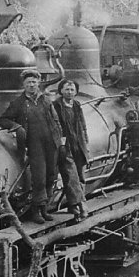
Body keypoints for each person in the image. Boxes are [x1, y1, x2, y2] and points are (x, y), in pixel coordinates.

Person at [0, 69, 63, 224]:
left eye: (34, 82)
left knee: (51, 176)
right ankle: (36, 211)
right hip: (34, 145)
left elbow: (55, 120)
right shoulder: (18, 103)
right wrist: (17, 127)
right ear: (24, 85)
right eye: (28, 83)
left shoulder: (45, 100)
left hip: (51, 143)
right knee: (39, 178)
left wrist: (59, 139)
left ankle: (45, 208)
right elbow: (3, 119)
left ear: (38, 83)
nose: (31, 85)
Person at [53, 79, 90, 219]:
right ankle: (81, 205)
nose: (69, 92)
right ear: (61, 91)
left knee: (81, 176)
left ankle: (73, 205)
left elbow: (83, 125)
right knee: (71, 176)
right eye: (67, 89)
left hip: (78, 144)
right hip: (65, 145)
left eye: (72, 90)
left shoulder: (77, 105)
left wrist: (86, 142)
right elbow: (54, 126)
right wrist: (60, 144)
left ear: (76, 92)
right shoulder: (55, 106)